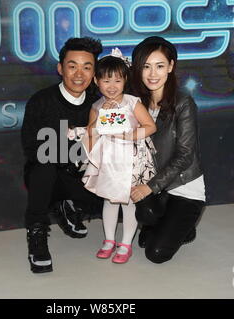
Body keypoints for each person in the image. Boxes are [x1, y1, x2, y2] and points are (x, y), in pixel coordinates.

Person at [21, 37, 103, 273]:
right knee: (44, 166)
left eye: (87, 67)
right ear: (60, 68)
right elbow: (31, 148)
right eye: (72, 65)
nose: (79, 74)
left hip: (82, 176)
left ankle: (69, 206)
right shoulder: (41, 102)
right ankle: (37, 233)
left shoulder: (100, 103)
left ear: (94, 71)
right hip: (48, 175)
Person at [129, 36, 206, 264]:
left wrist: (149, 187)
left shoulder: (183, 103)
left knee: (156, 254)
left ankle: (185, 228)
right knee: (145, 215)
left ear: (171, 66)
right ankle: (164, 224)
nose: (153, 74)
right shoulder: (136, 103)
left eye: (160, 66)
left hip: (183, 187)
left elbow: (184, 155)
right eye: (146, 66)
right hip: (158, 187)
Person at [82, 49, 157, 264]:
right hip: (109, 161)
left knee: (130, 202)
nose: (112, 86)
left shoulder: (133, 103)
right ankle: (108, 240)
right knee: (110, 200)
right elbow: (90, 133)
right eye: (106, 81)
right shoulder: (96, 106)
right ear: (96, 81)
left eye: (117, 80)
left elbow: (150, 126)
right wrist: (101, 116)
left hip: (132, 159)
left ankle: (125, 244)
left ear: (125, 80)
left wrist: (129, 136)